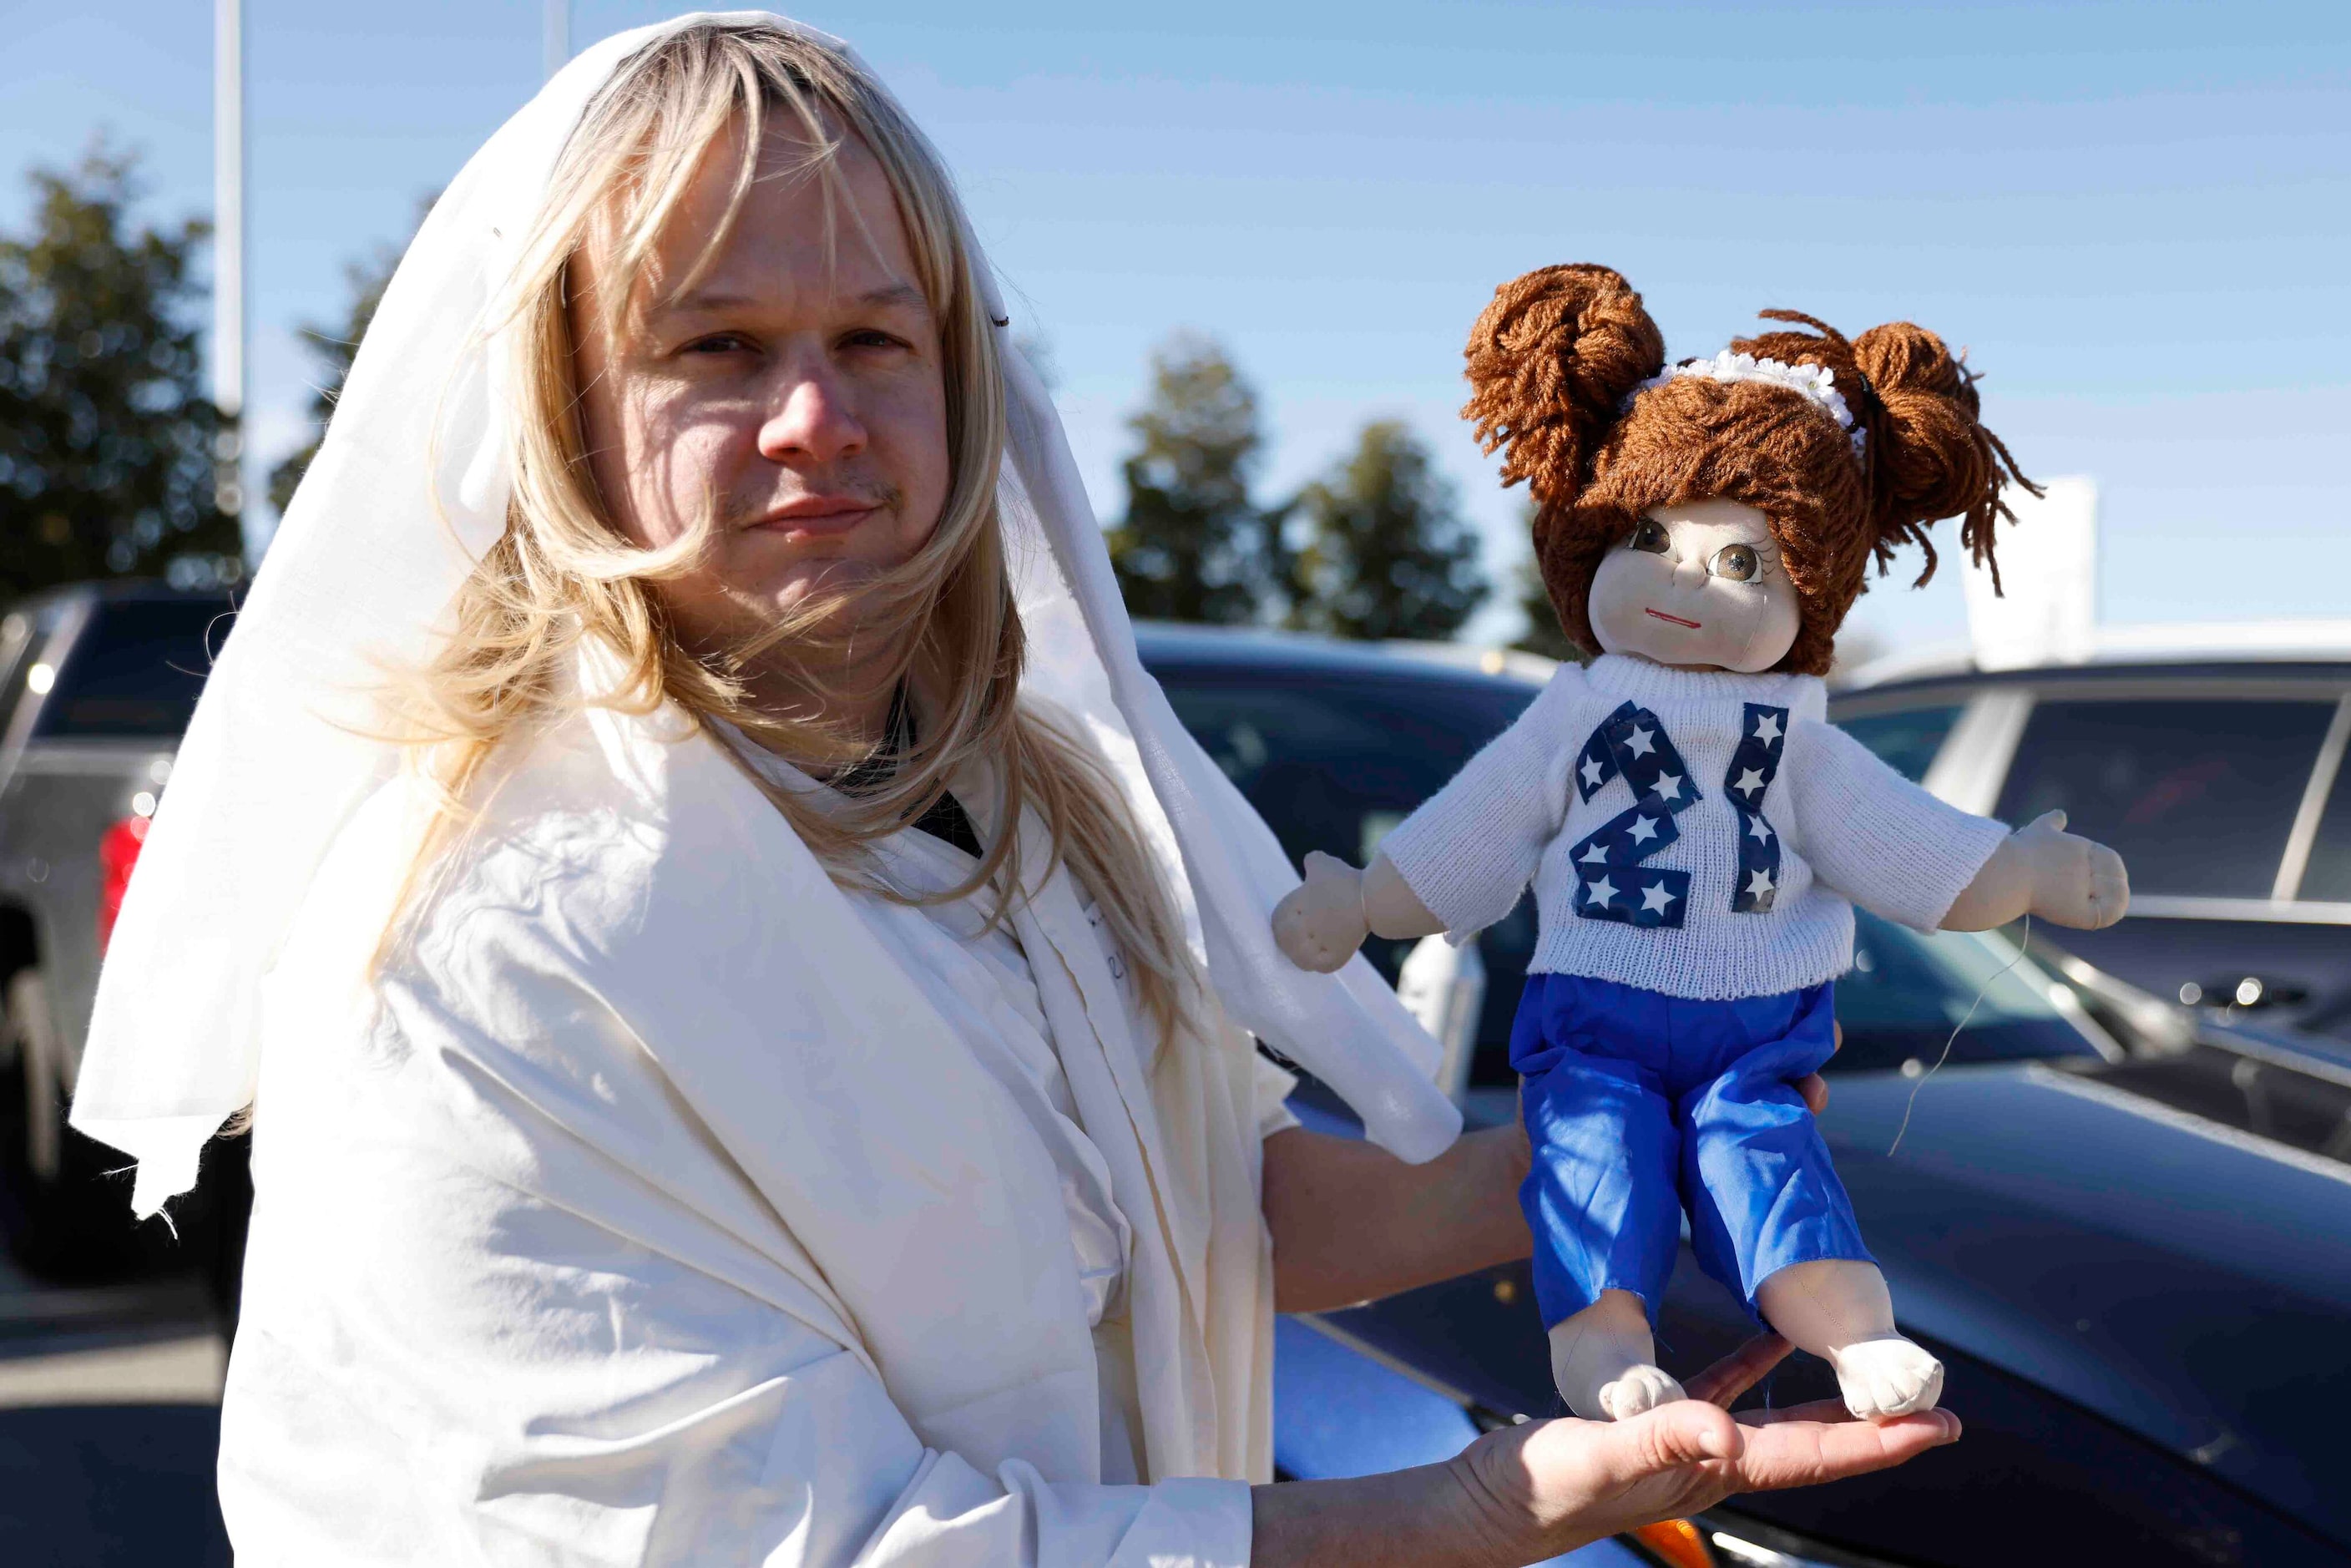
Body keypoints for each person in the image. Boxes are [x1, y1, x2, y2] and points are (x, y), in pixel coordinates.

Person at [68, 16, 1956, 1564]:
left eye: (874, 338)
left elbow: (1169, 1216)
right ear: (565, 401)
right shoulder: (484, 946)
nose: (818, 413)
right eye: (717, 347)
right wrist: (1470, 1512)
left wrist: (1645, 1158)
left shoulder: (994, 807)